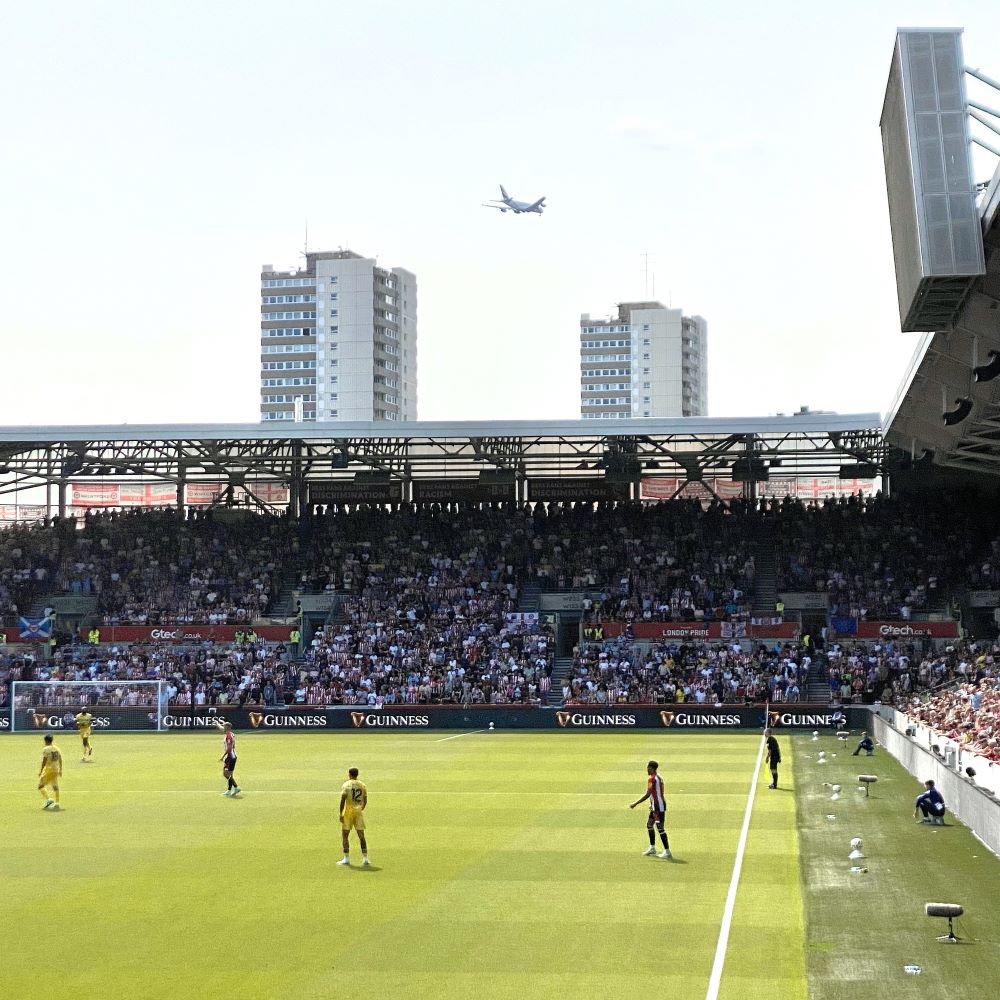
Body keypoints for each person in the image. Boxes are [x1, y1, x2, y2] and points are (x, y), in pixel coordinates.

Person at [629, 760, 671, 858]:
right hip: (656, 805)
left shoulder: (652, 779)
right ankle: (652, 848)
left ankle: (667, 851)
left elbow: (648, 794)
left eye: (648, 768)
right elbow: (658, 792)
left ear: (651, 768)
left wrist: (635, 803)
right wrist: (652, 803)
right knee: (649, 825)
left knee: (660, 828)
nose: (646, 769)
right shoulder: (659, 777)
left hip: (658, 807)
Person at [338, 767, 370, 866]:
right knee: (361, 835)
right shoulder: (362, 785)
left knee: (345, 835)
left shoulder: (346, 785)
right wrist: (361, 808)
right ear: (357, 774)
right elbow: (365, 799)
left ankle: (346, 858)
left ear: (349, 774)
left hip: (348, 812)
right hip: (358, 811)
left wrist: (341, 813)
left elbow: (343, 800)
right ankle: (365, 858)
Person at [38, 733, 63, 811]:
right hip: (56, 769)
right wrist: (61, 769)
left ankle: (48, 800)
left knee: (40, 786)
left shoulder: (46, 749)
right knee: (55, 786)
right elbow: (60, 759)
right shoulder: (57, 748)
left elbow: (44, 761)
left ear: (46, 741)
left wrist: (41, 771)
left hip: (48, 770)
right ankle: (57, 803)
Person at [217, 721, 241, 797]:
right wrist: (217, 723)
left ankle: (236, 787)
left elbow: (229, 748)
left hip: (230, 757)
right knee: (230, 775)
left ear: (227, 728)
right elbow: (222, 729)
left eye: (224, 726)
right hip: (232, 756)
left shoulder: (229, 736)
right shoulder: (230, 733)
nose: (223, 727)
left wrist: (222, 756)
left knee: (225, 774)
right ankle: (229, 790)